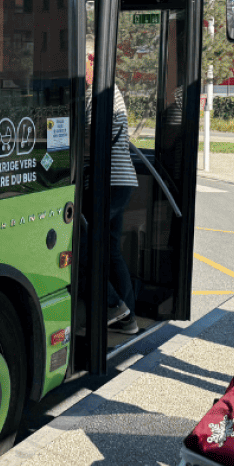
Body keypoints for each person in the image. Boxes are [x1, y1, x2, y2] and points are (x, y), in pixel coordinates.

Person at [84, 37, 139, 334]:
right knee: (109, 250)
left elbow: (94, 139)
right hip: (116, 181)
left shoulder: (102, 93)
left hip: (111, 182)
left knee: (84, 246)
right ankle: (127, 317)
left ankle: (112, 304)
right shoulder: (96, 92)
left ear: (93, 60)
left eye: (80, 63)